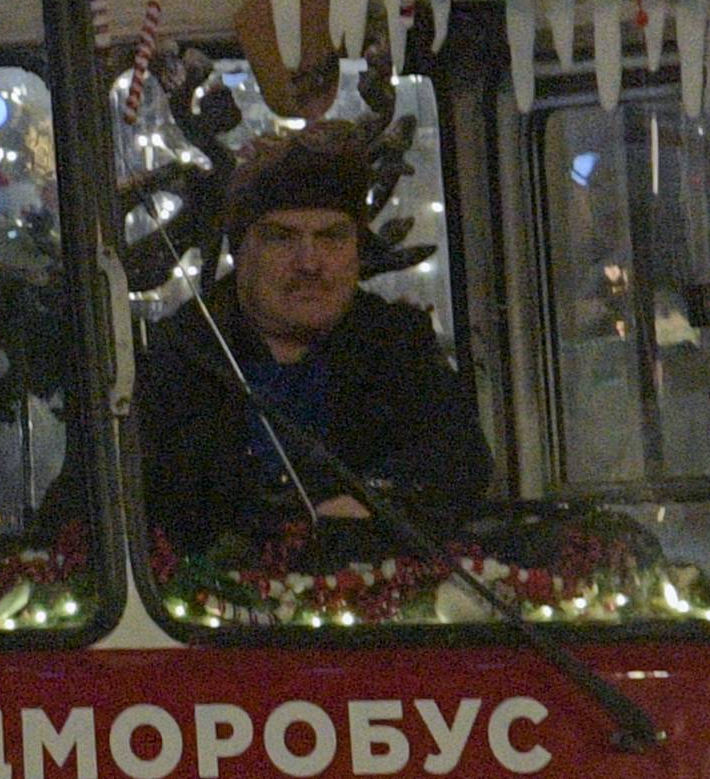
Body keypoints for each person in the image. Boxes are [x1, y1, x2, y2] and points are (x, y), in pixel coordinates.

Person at [132, 126, 496, 553]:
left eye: (331, 237)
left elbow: (461, 461)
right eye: (281, 237)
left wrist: (375, 500)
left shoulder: (397, 342)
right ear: (240, 251)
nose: (309, 263)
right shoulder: (174, 357)